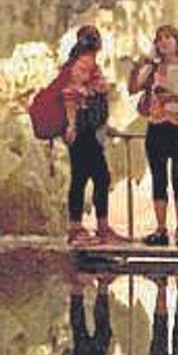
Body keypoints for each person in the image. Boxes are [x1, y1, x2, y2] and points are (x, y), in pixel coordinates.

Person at [129, 25, 178, 248]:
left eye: (168, 38)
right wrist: (139, 67)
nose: (163, 42)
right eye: (159, 39)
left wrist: (175, 96)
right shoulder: (153, 69)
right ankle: (161, 229)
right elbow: (133, 88)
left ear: (177, 42)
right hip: (158, 126)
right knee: (159, 179)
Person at [61, 25, 123, 245]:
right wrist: (71, 125)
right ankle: (83, 227)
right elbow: (70, 95)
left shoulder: (86, 62)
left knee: (88, 177)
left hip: (88, 128)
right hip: (82, 129)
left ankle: (88, 226)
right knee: (94, 177)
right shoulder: (82, 63)